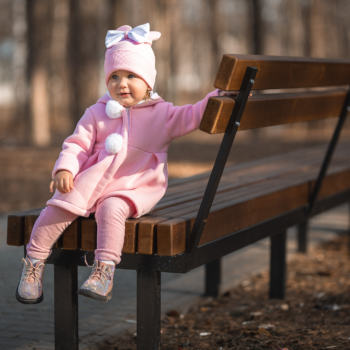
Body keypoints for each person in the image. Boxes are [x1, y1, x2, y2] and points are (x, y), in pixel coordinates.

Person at [16, 23, 238, 304]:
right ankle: (33, 262)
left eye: (131, 75)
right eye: (114, 76)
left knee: (112, 208)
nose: (121, 83)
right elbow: (77, 144)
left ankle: (104, 271)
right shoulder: (97, 113)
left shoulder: (163, 114)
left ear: (148, 82)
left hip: (134, 185)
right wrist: (65, 168)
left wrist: (219, 96)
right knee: (59, 204)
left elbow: (193, 114)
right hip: (90, 181)